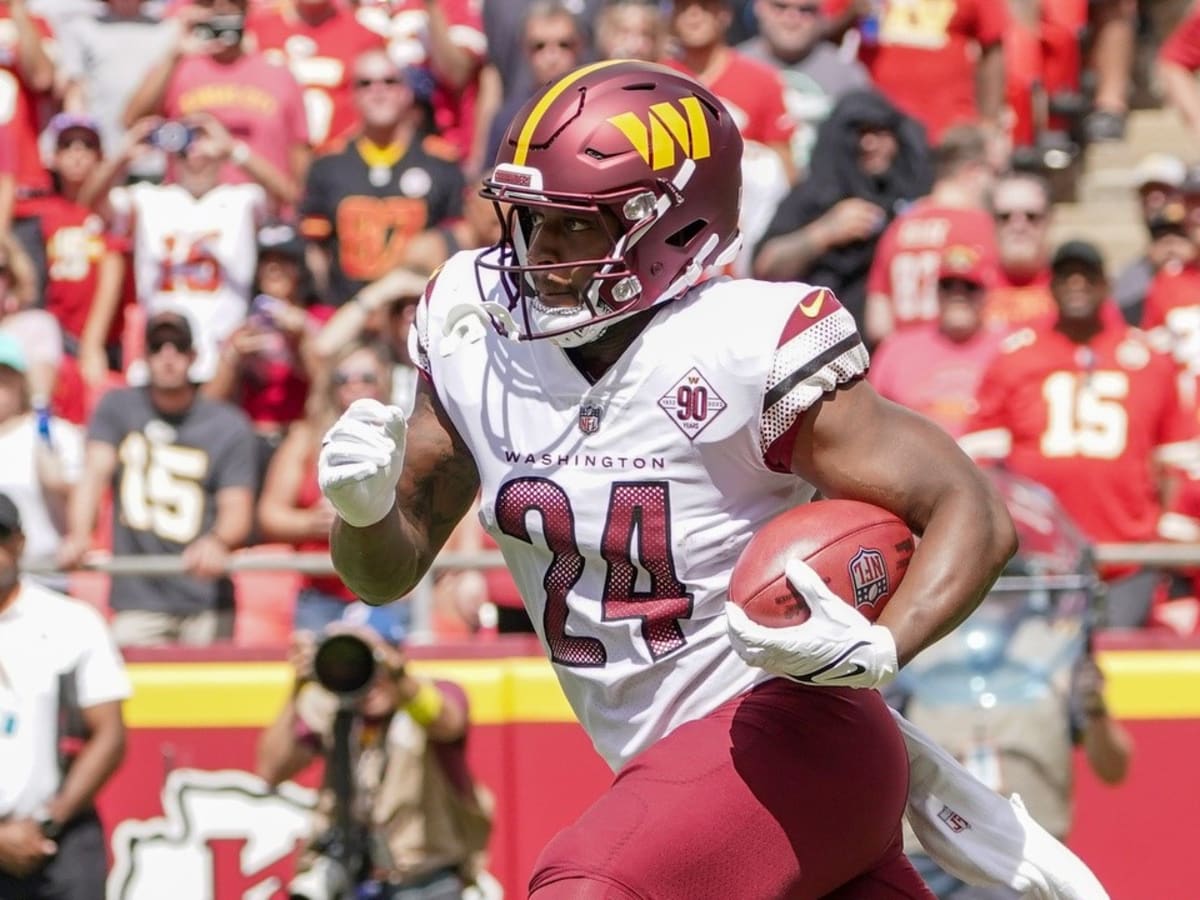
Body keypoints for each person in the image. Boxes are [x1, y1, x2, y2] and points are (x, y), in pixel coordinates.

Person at [317, 60, 1107, 898]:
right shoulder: (473, 325)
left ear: (670, 228)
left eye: (574, 226)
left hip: (795, 734)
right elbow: (383, 574)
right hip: (685, 778)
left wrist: (881, 647)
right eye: (528, 219)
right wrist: (362, 511)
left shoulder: (741, 343)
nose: (536, 252)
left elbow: (971, 510)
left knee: (587, 887)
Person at [892, 469, 1133, 899]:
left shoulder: (1054, 646)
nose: (994, 597)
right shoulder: (915, 640)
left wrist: (1095, 706)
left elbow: (1114, 767)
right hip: (931, 849)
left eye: (1005, 583)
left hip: (1028, 852)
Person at [961, 240, 1199, 630]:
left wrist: (1164, 538)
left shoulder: (1148, 360)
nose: (1076, 284)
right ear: (1050, 286)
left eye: (1086, 275)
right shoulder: (1016, 356)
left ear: (1105, 284)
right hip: (1039, 560)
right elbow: (980, 460)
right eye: (1066, 275)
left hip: (1128, 555)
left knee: (1121, 672)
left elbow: (1175, 458)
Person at [58, 310, 258, 647]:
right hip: (137, 600)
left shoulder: (229, 425)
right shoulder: (117, 407)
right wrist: (78, 534)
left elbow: (237, 506)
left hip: (206, 600)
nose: (168, 356)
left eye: (178, 346)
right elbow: (93, 475)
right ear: (144, 355)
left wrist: (218, 541)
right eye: (157, 346)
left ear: (193, 356)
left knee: (208, 697)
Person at [256, 611, 490, 898]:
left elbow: (448, 723)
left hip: (425, 880)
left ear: (397, 656)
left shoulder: (430, 693)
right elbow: (271, 769)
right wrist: (299, 686)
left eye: (373, 659)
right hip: (354, 877)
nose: (370, 677)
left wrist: (398, 676)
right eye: (352, 662)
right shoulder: (332, 707)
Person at [0, 492, 131, 900]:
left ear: (19, 541)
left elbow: (109, 735)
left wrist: (48, 821)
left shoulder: (69, 621)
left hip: (58, 837)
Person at [258, 340, 411, 634]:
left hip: (391, 590)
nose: (355, 386)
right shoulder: (305, 438)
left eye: (367, 378)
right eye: (343, 378)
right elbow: (270, 513)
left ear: (385, 381)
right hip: (322, 594)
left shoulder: (405, 438)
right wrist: (311, 522)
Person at [753, 87, 933, 331]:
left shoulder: (918, 193)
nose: (869, 143)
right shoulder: (813, 195)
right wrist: (825, 232)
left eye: (879, 132)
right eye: (859, 133)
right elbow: (766, 267)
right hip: (822, 336)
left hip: (896, 341)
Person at [298, 48, 465, 307]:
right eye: (365, 83)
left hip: (419, 312)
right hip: (348, 315)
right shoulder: (327, 165)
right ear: (352, 96)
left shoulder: (441, 162)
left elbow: (458, 242)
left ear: (407, 92)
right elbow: (315, 252)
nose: (378, 91)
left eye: (389, 81)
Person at [863, 124, 999, 346]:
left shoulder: (899, 226)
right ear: (974, 172)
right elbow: (995, 310)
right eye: (994, 173)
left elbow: (878, 323)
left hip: (903, 362)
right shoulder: (980, 226)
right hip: (958, 357)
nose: (996, 185)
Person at [869, 244, 1005, 438]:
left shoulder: (1009, 348)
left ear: (985, 294)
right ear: (936, 292)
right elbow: (872, 421)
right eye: (948, 286)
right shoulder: (897, 349)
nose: (958, 296)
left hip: (987, 463)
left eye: (969, 287)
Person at [0, 335, 85, 591]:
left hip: (43, 580)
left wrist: (60, 484)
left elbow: (73, 490)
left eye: (4, 379)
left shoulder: (55, 433)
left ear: (20, 384)